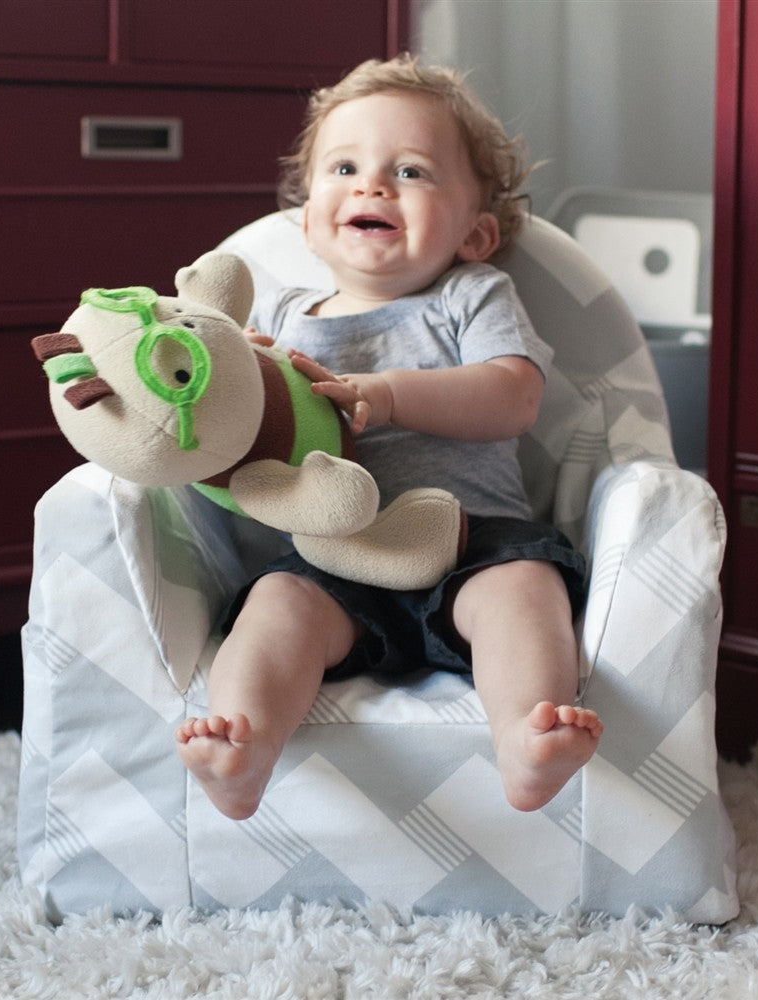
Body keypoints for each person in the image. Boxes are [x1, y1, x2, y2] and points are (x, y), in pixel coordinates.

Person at [176, 54, 602, 820]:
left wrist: (390, 396)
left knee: (526, 594)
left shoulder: (469, 295)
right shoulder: (281, 325)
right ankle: (243, 744)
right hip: (335, 556)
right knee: (276, 606)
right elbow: (241, 444)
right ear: (307, 222)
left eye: (410, 171)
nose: (372, 185)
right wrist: (228, 385)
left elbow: (513, 396)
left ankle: (526, 740)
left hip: (475, 546)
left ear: (476, 233)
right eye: (345, 166)